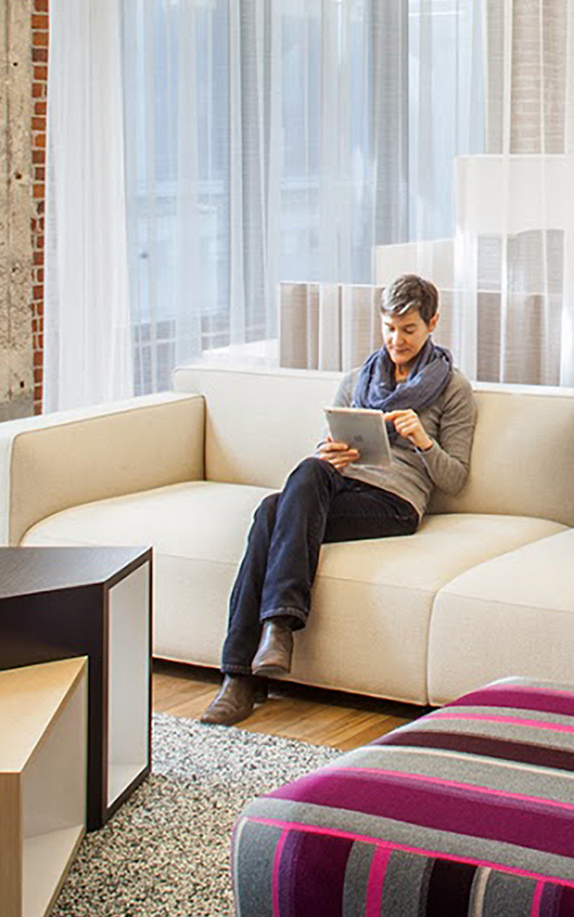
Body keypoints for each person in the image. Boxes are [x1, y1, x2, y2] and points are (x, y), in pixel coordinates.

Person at [200, 274, 475, 725]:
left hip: (394, 503)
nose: (396, 340)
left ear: (432, 323)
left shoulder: (452, 388)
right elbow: (321, 453)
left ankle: (242, 672)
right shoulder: (357, 380)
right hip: (342, 486)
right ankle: (269, 638)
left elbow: (456, 479)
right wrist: (328, 453)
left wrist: (423, 441)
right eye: (389, 327)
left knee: (270, 513)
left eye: (408, 329)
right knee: (292, 489)